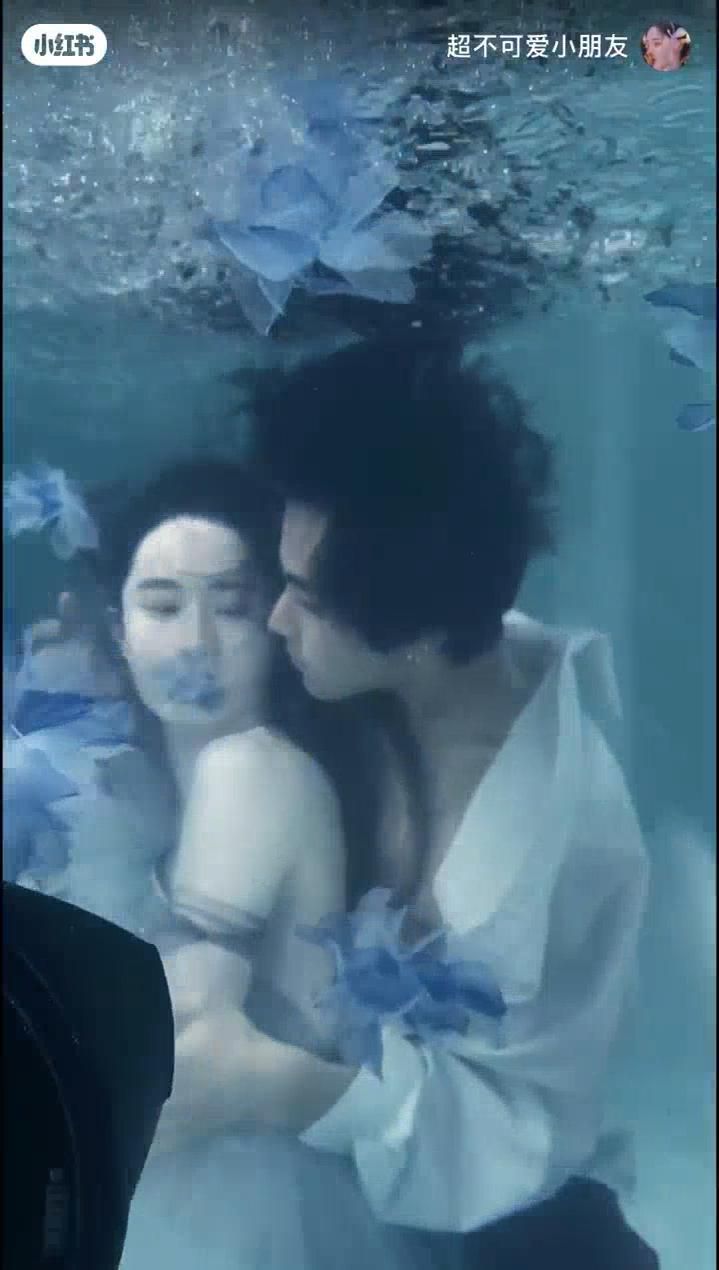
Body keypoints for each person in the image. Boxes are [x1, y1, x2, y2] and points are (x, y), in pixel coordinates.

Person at [242, 336, 661, 1268]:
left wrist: (275, 1085)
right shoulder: (384, 674)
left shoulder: (562, 846)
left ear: (412, 627)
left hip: (520, 1220)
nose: (275, 619)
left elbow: (519, 1132)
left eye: (306, 598)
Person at [10, 459, 440, 1270]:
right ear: (119, 629)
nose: (196, 644)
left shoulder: (251, 770)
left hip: (229, 1207)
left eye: (231, 607)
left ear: (275, 626)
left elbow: (173, 1051)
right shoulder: (141, 783)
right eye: (162, 606)